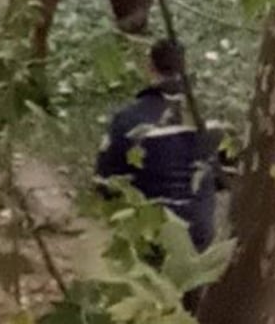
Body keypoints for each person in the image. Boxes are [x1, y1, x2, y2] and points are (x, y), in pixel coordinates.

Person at [95, 38, 221, 314]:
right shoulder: (205, 118)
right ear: (186, 69)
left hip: (155, 232)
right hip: (199, 232)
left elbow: (104, 182)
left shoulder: (128, 121)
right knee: (188, 301)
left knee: (148, 300)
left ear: (149, 67)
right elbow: (222, 175)